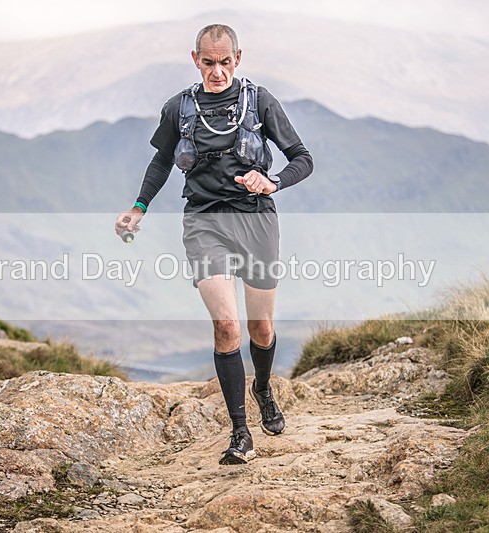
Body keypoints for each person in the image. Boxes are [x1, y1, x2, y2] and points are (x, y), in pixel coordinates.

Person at [115, 24, 313, 465]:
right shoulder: (179, 108)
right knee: (227, 326)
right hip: (204, 222)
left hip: (257, 219)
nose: (217, 72)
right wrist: (139, 207)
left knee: (261, 329)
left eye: (225, 62)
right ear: (195, 59)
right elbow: (162, 159)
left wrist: (273, 180)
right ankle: (240, 433)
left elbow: (303, 158)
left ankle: (262, 387)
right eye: (209, 62)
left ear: (238, 59)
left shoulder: (260, 102)